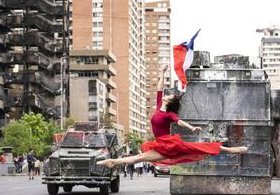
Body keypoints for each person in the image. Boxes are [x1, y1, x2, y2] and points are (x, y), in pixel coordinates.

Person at [98, 65, 248, 169]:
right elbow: (159, 87)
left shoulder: (169, 114)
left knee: (198, 147)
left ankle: (231, 150)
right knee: (139, 158)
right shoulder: (158, 106)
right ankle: (113, 161)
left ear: (169, 102)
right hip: (160, 146)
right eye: (167, 94)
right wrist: (162, 73)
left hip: (170, 144)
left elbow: (179, 121)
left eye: (169, 95)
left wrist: (191, 127)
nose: (167, 95)